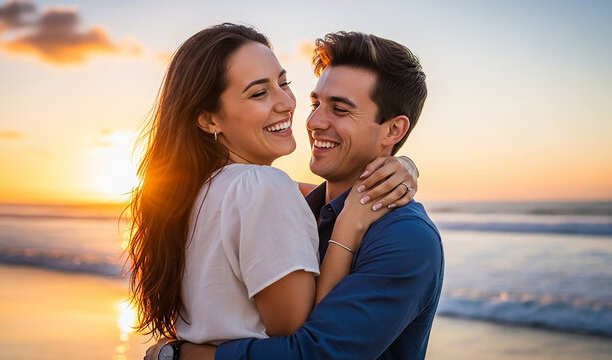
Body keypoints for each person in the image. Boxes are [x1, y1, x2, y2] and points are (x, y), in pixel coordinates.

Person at [127, 23, 420, 357]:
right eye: (259, 93)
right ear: (209, 120)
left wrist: (403, 165)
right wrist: (349, 228)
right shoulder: (263, 188)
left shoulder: (197, 190)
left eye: (284, 83)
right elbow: (305, 340)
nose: (291, 107)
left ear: (394, 129)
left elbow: (321, 197)